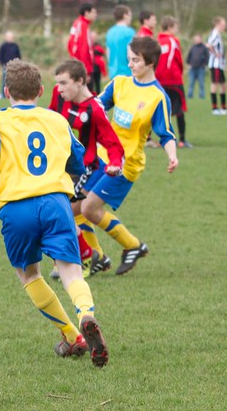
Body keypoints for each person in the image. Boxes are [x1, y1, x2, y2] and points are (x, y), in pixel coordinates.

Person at [0, 59, 109, 367]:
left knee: (29, 274)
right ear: (42, 91)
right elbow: (78, 164)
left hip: (17, 206)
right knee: (70, 270)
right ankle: (86, 313)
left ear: (6, 92)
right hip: (55, 202)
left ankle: (73, 336)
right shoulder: (57, 120)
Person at [81, 36, 178, 274]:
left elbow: (165, 133)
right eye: (129, 60)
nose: (131, 65)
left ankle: (131, 246)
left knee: (88, 209)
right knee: (72, 205)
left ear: (150, 62)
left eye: (136, 60)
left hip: (126, 164)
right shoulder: (120, 83)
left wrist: (172, 156)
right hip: (101, 156)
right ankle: (96, 256)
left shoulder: (157, 97)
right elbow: (97, 106)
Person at [49, 58, 125, 279]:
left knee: (63, 212)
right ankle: (92, 256)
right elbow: (49, 117)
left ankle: (85, 258)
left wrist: (114, 163)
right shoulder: (58, 96)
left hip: (86, 170)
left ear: (80, 81)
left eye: (64, 83)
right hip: (63, 168)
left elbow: (113, 144)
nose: (60, 89)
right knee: (66, 213)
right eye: (58, 83)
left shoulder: (95, 109)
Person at [157, 17, 189, 147]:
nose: (177, 30)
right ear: (169, 27)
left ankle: (163, 139)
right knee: (179, 110)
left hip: (158, 80)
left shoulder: (157, 41)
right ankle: (182, 140)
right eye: (175, 27)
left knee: (162, 111)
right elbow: (178, 60)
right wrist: (180, 74)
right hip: (173, 80)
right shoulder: (173, 40)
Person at [67, 3, 96, 90]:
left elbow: (70, 44)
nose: (95, 15)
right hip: (83, 68)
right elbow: (83, 49)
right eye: (94, 12)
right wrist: (85, 72)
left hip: (76, 66)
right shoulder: (83, 26)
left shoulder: (77, 23)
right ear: (86, 13)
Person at [105, 5, 135, 80]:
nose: (131, 18)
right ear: (125, 15)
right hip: (127, 73)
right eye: (130, 15)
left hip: (113, 73)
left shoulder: (110, 32)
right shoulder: (129, 32)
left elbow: (108, 53)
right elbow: (131, 52)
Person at [207, 16, 227, 115]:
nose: (224, 26)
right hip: (215, 64)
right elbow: (208, 44)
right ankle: (215, 108)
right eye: (223, 24)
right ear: (218, 24)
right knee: (214, 84)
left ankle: (223, 108)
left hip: (220, 65)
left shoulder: (218, 34)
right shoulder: (215, 34)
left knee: (223, 85)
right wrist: (215, 54)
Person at [0, 30, 22, 99]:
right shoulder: (3, 46)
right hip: (6, 66)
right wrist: (3, 64)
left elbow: (19, 56)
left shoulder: (15, 46)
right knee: (5, 81)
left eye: (11, 37)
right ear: (6, 37)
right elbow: (0, 56)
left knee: (16, 81)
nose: (10, 38)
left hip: (15, 66)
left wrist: (18, 64)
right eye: (9, 37)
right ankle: (3, 94)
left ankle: (15, 94)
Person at [186, 34, 209, 99]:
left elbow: (207, 57)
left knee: (201, 83)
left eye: (198, 39)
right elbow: (189, 56)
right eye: (195, 39)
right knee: (191, 83)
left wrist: (204, 65)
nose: (196, 40)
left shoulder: (204, 47)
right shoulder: (192, 47)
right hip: (192, 68)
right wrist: (188, 64)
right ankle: (190, 95)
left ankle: (201, 95)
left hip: (200, 68)